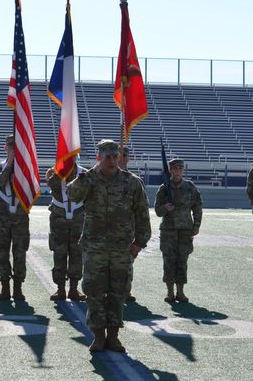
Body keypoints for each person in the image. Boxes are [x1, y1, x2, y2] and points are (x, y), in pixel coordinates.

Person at [67, 139, 151, 353]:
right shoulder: (89, 179)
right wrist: (87, 174)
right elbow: (71, 194)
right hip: (94, 247)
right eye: (107, 157)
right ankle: (98, 336)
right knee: (94, 292)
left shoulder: (132, 182)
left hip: (121, 248)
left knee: (117, 292)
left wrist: (139, 243)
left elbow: (142, 213)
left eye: (115, 156)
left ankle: (113, 336)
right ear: (99, 158)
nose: (112, 160)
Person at [154, 158, 202, 303]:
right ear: (170, 170)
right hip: (168, 231)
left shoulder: (189, 187)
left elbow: (197, 207)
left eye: (180, 168)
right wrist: (165, 208)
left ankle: (180, 291)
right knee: (169, 261)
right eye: (175, 168)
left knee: (182, 261)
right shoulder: (164, 188)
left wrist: (196, 226)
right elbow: (157, 210)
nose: (177, 171)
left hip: (185, 230)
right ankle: (170, 292)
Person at [0, 134, 30, 301]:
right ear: (5, 147)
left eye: (17, 146)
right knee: (2, 251)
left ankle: (18, 287)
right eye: (11, 146)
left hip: (20, 214)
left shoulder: (26, 168)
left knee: (20, 251)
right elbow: (0, 182)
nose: (14, 148)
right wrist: (11, 164)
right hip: (3, 213)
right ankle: (5, 286)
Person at [45, 159, 86, 301]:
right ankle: (60, 289)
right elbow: (53, 186)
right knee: (59, 253)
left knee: (77, 253)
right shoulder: (54, 172)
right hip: (59, 219)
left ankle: (74, 289)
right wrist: (58, 173)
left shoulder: (84, 173)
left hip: (78, 219)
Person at [120, 146, 145, 302]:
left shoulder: (135, 181)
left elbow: (141, 211)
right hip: (105, 230)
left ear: (128, 159)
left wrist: (140, 238)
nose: (121, 159)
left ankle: (126, 290)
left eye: (124, 157)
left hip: (128, 230)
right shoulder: (102, 178)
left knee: (127, 263)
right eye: (118, 156)